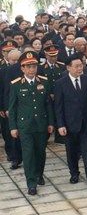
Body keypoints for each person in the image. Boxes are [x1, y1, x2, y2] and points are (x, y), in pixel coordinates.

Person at [54, 54, 87, 187]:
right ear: (68, 68)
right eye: (76, 66)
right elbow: (58, 107)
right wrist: (60, 125)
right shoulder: (60, 83)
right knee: (72, 152)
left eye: (81, 65)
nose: (79, 69)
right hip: (69, 124)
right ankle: (74, 174)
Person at [7, 51, 54, 195]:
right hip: (25, 126)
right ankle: (31, 183)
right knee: (28, 154)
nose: (31, 69)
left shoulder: (44, 81)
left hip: (41, 124)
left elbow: (48, 105)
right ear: (22, 69)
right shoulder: (16, 85)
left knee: (40, 152)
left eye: (34, 66)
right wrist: (13, 127)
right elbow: (12, 107)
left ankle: (39, 174)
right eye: (28, 67)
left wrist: (51, 123)